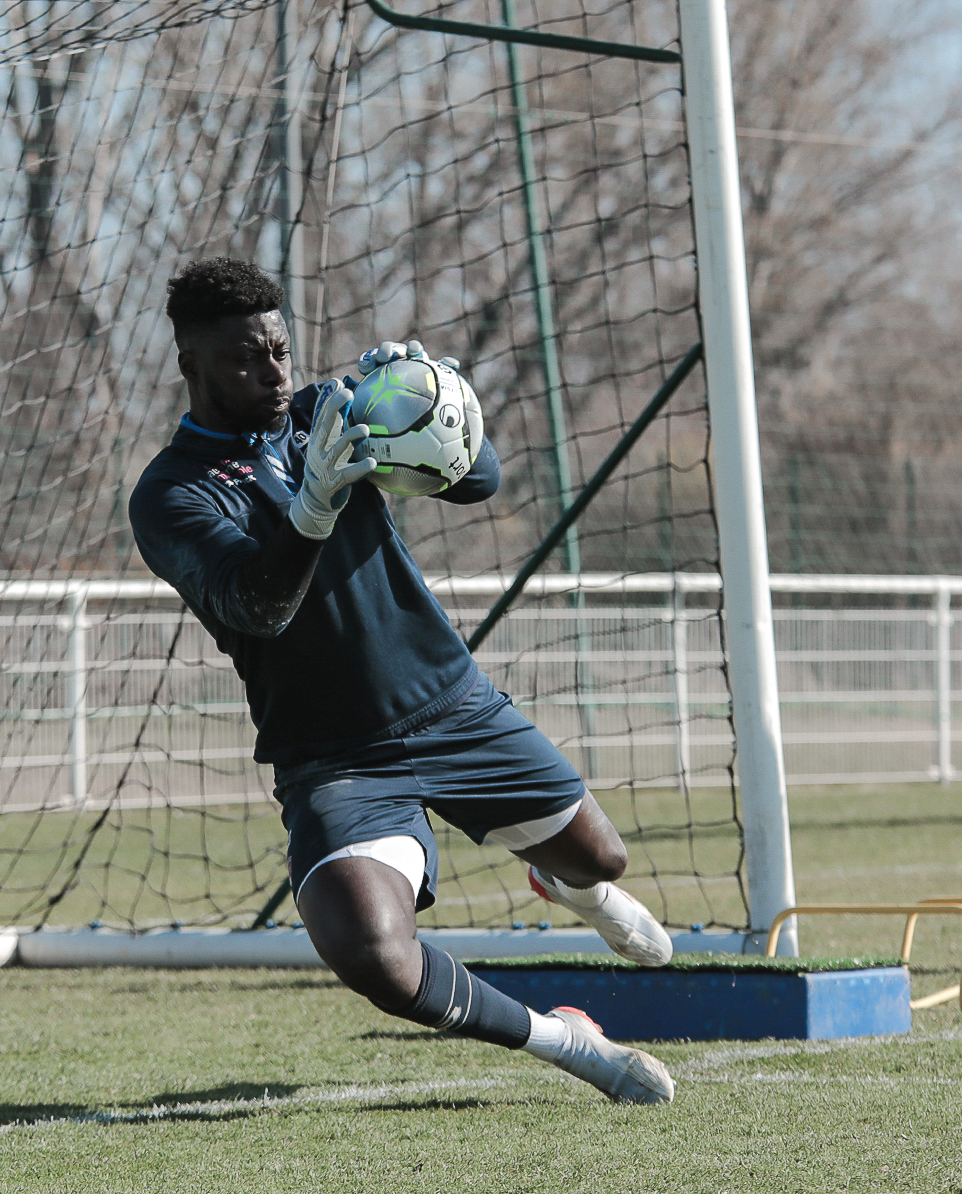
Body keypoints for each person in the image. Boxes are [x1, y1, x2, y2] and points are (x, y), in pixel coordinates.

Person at [128, 258, 676, 1104]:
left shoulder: (327, 409)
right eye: (244, 360)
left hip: (452, 708)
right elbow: (257, 607)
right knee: (375, 958)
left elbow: (482, 478)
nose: (274, 375)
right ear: (189, 365)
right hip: (337, 761)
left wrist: (433, 402)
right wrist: (312, 507)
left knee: (605, 855)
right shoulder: (171, 493)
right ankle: (575, 1048)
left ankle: (569, 883)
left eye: (279, 350)